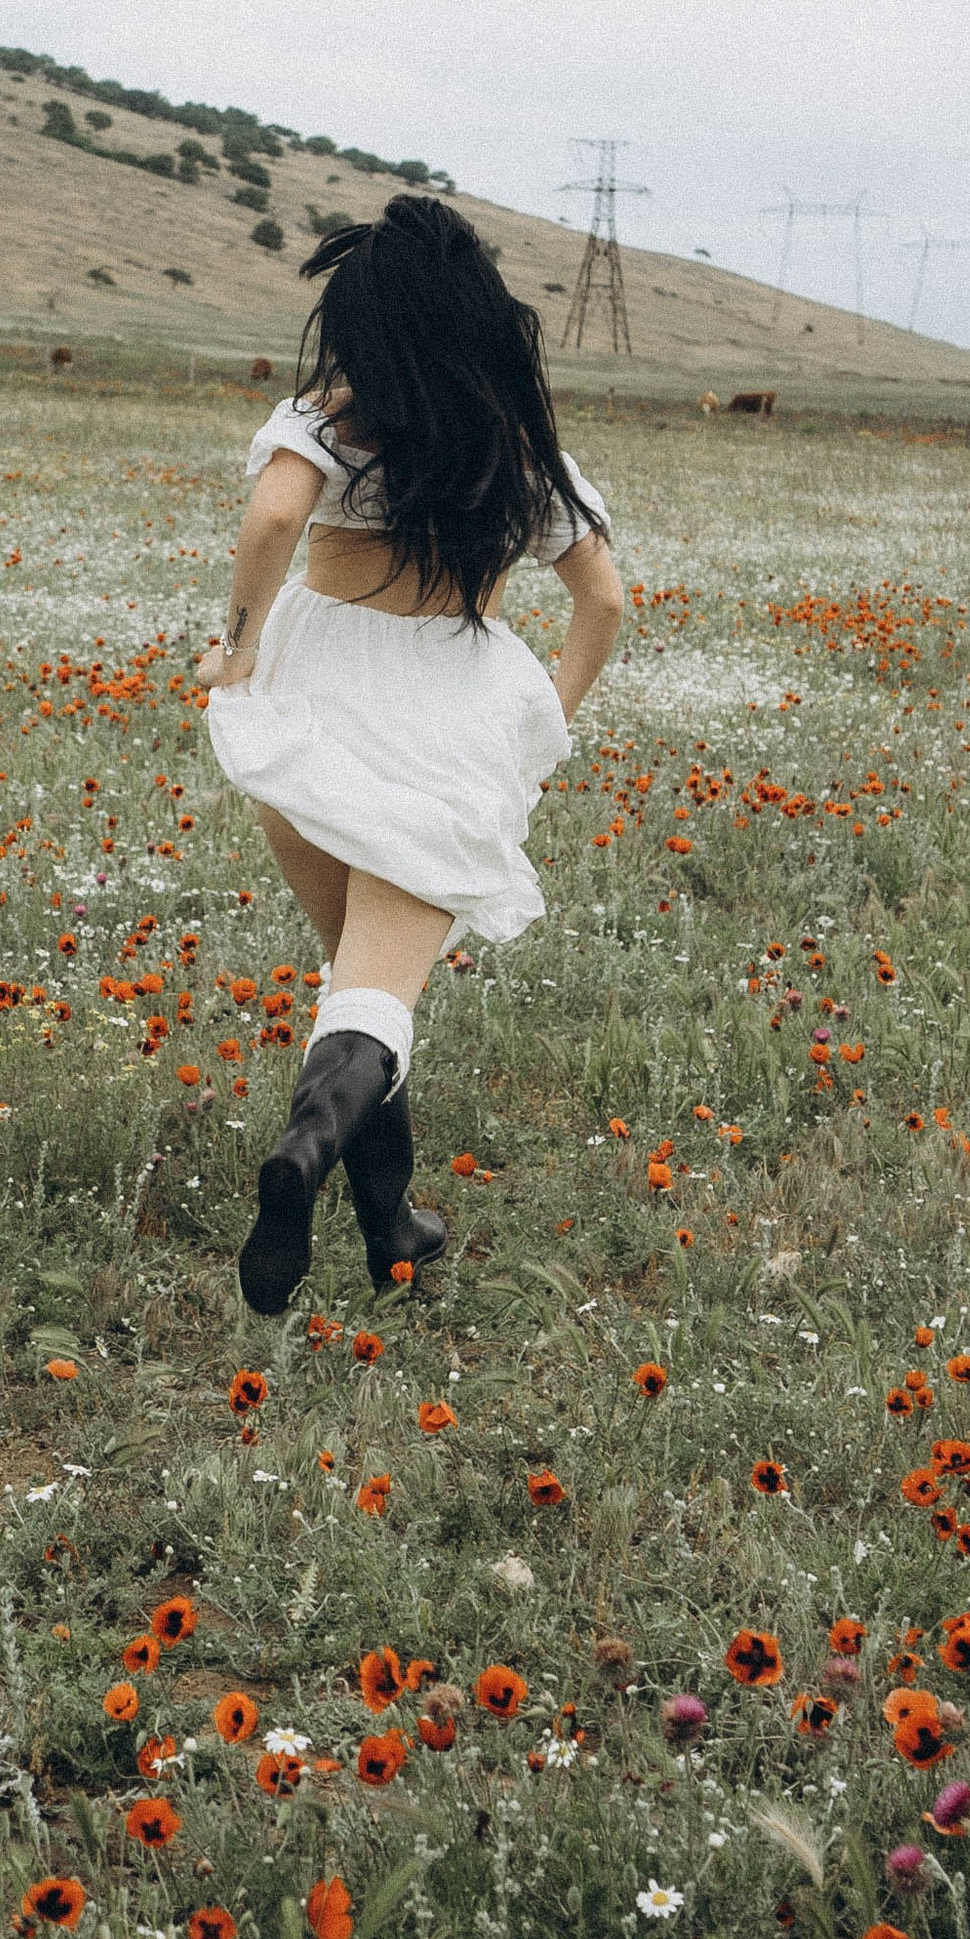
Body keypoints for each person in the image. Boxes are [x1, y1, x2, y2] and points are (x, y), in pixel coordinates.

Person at [194, 195, 624, 1311]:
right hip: (449, 718)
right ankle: (306, 1153)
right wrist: (543, 724)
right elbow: (604, 605)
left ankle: (391, 1224)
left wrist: (234, 650)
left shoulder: (329, 422)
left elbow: (273, 524)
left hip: (307, 704)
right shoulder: (525, 458)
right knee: (376, 989)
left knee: (361, 984)